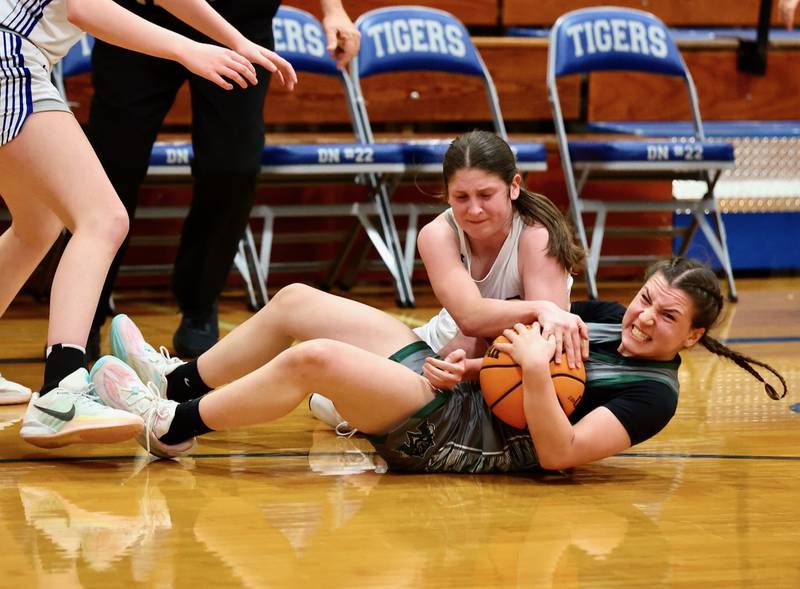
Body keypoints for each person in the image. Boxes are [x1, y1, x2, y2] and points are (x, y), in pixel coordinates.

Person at [90, 257, 786, 469]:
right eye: (645, 299)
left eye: (666, 318)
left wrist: (537, 372)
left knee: (317, 359)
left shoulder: (654, 396)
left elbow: (560, 453)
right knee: (300, 300)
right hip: (455, 397)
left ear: (691, 338)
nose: (641, 317)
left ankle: (173, 424)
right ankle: (176, 378)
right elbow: (501, 358)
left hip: (466, 441)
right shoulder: (602, 316)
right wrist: (467, 365)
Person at [1, 0, 297, 448]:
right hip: (11, 57)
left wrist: (234, 40)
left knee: (36, 226)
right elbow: (85, 7)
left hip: (19, 56)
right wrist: (186, 49)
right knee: (103, 218)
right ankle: (60, 394)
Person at [85, 0, 360, 360]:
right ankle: (86, 309)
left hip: (239, 18)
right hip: (145, 15)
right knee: (112, 166)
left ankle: (200, 302)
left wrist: (334, 10)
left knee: (233, 168)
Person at [309, 130, 588, 432]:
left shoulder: (537, 237)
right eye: (461, 197)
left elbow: (548, 346)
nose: (474, 209)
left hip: (495, 364)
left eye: (485, 195)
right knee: (327, 395)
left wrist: (470, 369)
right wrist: (539, 310)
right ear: (446, 195)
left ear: (514, 187)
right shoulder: (436, 234)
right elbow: (470, 320)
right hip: (440, 352)